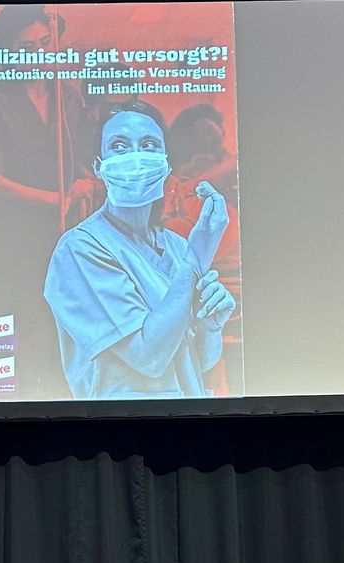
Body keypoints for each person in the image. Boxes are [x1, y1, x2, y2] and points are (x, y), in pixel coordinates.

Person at [44, 100, 237, 399]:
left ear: (166, 164)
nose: (135, 157)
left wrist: (210, 328)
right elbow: (148, 357)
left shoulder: (176, 246)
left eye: (148, 145)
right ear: (98, 166)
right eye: (119, 146)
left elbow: (197, 362)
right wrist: (194, 263)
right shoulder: (79, 250)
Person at [0, 5, 83, 398]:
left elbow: (80, 158)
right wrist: (58, 200)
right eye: (27, 47)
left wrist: (86, 181)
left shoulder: (67, 97)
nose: (40, 53)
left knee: (45, 350)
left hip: (44, 248)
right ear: (7, 51)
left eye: (45, 42)